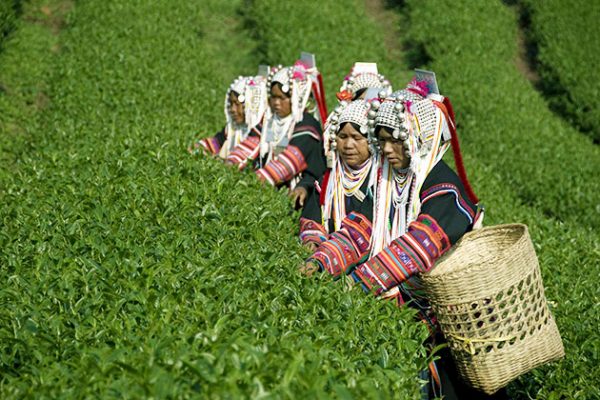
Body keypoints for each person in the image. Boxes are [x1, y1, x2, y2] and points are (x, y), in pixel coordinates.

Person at [303, 79, 504, 399]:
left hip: (448, 322)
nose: (387, 150)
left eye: (397, 141)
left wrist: (354, 284)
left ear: (420, 139)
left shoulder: (444, 188)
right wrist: (320, 261)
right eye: (382, 141)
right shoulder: (388, 184)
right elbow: (358, 231)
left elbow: (416, 248)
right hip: (406, 307)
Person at [298, 98, 380, 252]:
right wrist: (313, 240)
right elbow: (313, 216)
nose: (348, 145)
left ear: (371, 141)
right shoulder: (328, 180)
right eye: (343, 137)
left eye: (356, 138)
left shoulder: (379, 181)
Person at [253, 61, 328, 200]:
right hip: (266, 187)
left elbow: (290, 161)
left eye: (282, 98)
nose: (276, 103)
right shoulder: (268, 120)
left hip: (295, 192)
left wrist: (252, 183)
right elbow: (249, 146)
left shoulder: (307, 125)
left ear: (296, 97)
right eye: (273, 97)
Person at [189, 74, 268, 160]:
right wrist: (196, 149)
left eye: (237, 104)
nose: (233, 109)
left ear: (252, 107)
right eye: (231, 104)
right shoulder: (233, 130)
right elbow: (215, 143)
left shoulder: (261, 133)